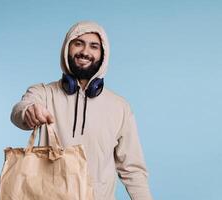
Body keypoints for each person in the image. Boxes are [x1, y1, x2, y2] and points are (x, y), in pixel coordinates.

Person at [11, 21, 153, 200]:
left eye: (94, 46)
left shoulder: (120, 107)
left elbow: (133, 170)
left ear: (103, 54)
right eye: (78, 43)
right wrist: (28, 111)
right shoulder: (44, 93)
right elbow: (19, 110)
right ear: (66, 49)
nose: (85, 52)